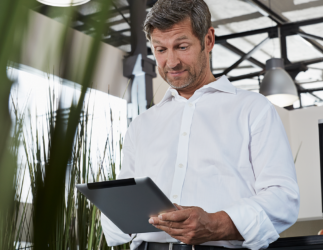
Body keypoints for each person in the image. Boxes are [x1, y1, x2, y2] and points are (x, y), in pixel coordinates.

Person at [101, 0, 300, 249]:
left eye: (182, 46)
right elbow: (120, 210)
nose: (171, 62)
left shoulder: (253, 110)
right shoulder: (142, 125)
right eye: (160, 50)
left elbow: (284, 198)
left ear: (208, 40)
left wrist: (218, 223)